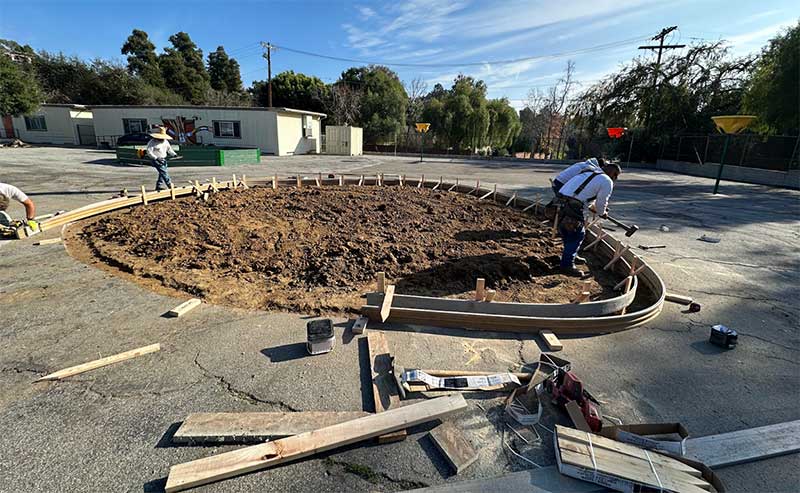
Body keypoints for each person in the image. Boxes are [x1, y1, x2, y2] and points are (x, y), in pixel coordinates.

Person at [555, 162, 621, 277]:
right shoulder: (607, 181)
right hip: (573, 206)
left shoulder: (590, 172)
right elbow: (601, 203)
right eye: (616, 175)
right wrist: (602, 212)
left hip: (561, 201)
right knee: (577, 235)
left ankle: (570, 255)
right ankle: (567, 265)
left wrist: (596, 208)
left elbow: (583, 194)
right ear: (613, 173)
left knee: (568, 231)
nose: (615, 178)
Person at [145, 127, 177, 191]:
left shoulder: (165, 142)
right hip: (156, 160)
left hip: (163, 159)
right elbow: (149, 152)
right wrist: (156, 158)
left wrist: (174, 154)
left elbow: (169, 149)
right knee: (164, 172)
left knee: (162, 173)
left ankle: (159, 185)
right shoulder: (152, 142)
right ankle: (170, 185)